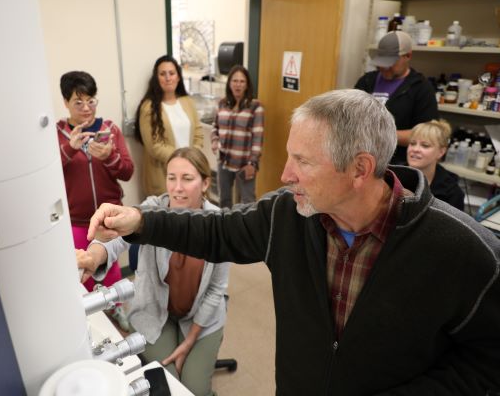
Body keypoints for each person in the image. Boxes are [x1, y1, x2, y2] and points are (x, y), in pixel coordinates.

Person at [87, 89, 500, 395]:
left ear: (359, 169)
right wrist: (139, 221)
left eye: (302, 162)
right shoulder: (287, 214)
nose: (285, 175)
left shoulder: (465, 251)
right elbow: (217, 231)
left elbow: (487, 362)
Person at [78, 147, 229, 396]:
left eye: (187, 179)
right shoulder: (151, 211)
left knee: (195, 390)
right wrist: (93, 257)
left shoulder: (219, 223)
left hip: (202, 320)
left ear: (205, 184)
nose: (177, 187)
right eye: (172, 178)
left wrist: (190, 341)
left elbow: (216, 290)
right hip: (156, 313)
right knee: (168, 384)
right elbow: (116, 238)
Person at [56, 71, 133, 329]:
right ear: (66, 102)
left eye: (91, 101)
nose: (87, 108)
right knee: (84, 272)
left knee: (110, 268)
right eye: (78, 102)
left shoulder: (109, 129)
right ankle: (94, 319)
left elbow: (127, 171)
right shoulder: (57, 133)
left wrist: (110, 156)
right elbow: (48, 175)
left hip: (110, 215)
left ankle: (116, 308)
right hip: (77, 219)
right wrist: (70, 150)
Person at [355, 30, 438, 165]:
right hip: (362, 156)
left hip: (397, 163)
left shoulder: (421, 88)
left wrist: (381, 136)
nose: (384, 67)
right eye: (382, 62)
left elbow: (427, 135)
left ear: (408, 56)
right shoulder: (366, 81)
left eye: (391, 62)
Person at [134, 55, 204, 197]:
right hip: (163, 176)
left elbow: (198, 134)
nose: (168, 78)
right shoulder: (149, 107)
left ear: (178, 77)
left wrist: (192, 159)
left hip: (190, 171)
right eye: (162, 74)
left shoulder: (188, 102)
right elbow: (155, 146)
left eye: (172, 73)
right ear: (156, 78)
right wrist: (182, 160)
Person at [211, 65, 264, 208]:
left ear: (247, 85)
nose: (238, 85)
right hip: (224, 161)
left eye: (242, 81)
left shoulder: (255, 107)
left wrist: (252, 163)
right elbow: (215, 127)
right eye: (235, 81)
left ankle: (247, 230)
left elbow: (257, 139)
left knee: (248, 203)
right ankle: (224, 229)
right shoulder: (221, 103)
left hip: (244, 164)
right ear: (229, 83)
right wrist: (215, 141)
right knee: (224, 201)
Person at [407, 119, 464, 211]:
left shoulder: (452, 194)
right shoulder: (392, 176)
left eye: (425, 145)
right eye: (412, 143)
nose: (415, 149)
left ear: (441, 152)